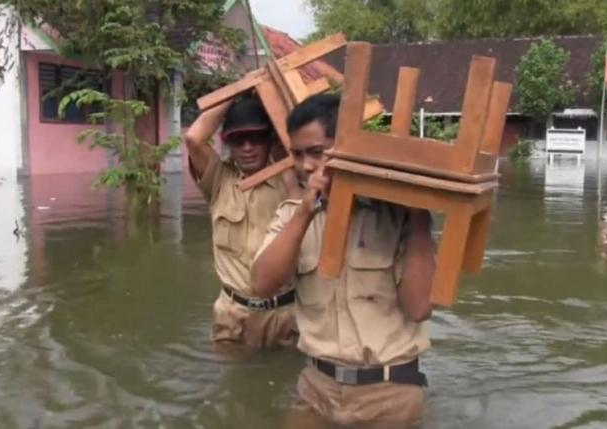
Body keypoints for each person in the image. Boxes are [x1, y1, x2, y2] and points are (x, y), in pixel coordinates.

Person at [251, 93, 437, 426]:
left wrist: (420, 216)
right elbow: (262, 286)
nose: (306, 166)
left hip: (391, 392)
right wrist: (306, 211)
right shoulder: (293, 216)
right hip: (316, 388)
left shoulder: (398, 217)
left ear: (348, 148)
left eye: (317, 152)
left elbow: (419, 307)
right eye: (297, 154)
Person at [184, 94, 299, 349]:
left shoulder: (291, 179)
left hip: (286, 314)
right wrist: (238, 89)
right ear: (228, 144)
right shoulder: (218, 180)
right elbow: (193, 138)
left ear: (270, 140)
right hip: (233, 315)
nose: (247, 147)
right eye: (238, 140)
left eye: (256, 138)